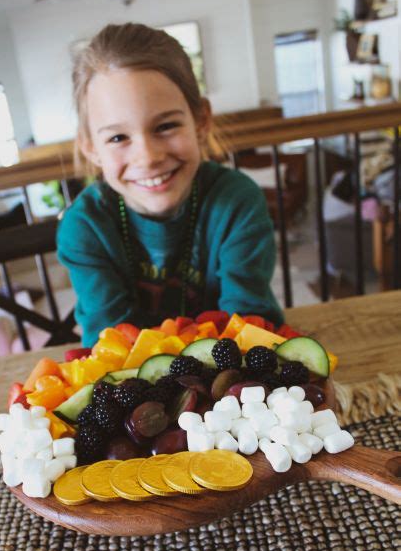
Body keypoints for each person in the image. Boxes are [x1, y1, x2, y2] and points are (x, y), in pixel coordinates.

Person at [57, 23, 283, 346]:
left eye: (165, 126)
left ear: (201, 121)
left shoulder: (237, 202)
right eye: (119, 137)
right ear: (91, 147)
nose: (147, 157)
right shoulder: (83, 227)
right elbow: (110, 348)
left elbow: (248, 326)